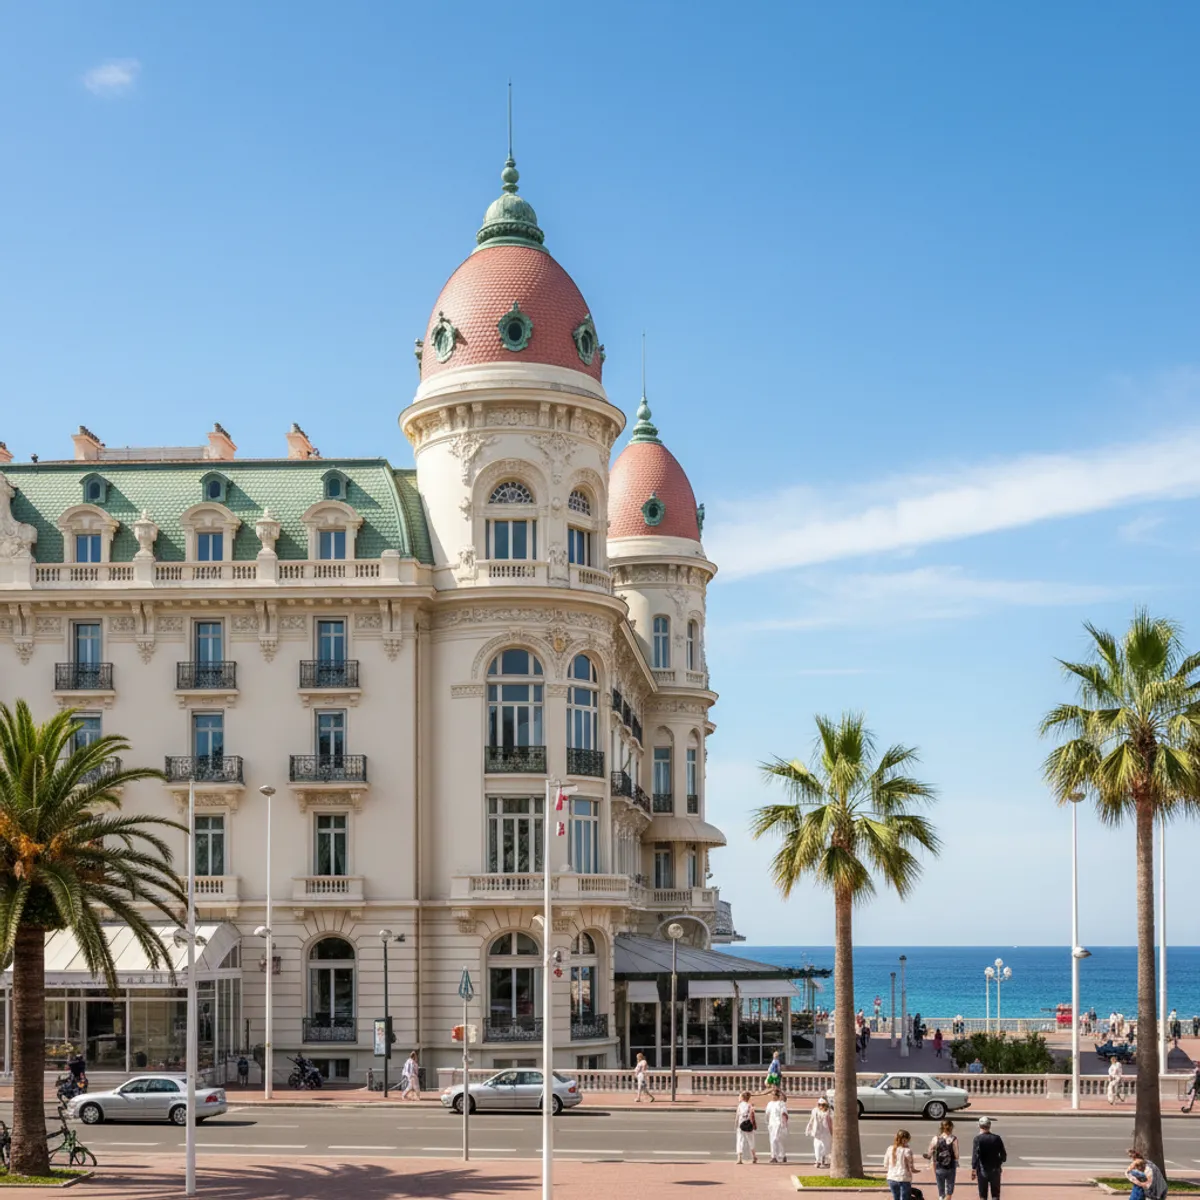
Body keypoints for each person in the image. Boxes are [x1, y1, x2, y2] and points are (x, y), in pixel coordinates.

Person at [970, 1116, 1006, 1200]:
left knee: (983, 1195)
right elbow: (1003, 1155)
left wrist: (973, 1169)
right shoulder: (996, 1138)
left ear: (979, 1126)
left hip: (982, 1170)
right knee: (995, 1194)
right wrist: (999, 1162)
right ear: (989, 1126)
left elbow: (975, 1155)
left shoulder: (977, 1139)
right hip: (995, 1170)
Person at [924, 1118, 959, 1200]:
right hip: (951, 1166)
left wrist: (930, 1156)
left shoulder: (936, 1138)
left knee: (940, 1187)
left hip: (939, 1166)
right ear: (951, 1128)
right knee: (950, 1187)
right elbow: (956, 1155)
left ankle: (941, 1197)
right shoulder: (954, 1139)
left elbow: (930, 1151)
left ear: (941, 1128)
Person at [883, 1128, 919, 1200]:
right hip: (903, 1178)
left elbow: (885, 1164)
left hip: (891, 1178)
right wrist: (914, 1170)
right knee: (904, 1198)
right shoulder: (907, 1151)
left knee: (896, 1197)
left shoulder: (890, 1148)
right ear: (906, 1140)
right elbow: (911, 1166)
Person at [805, 1095, 833, 1167]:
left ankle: (823, 1160)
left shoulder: (829, 1112)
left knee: (825, 1146)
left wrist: (832, 1132)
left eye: (822, 1105)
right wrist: (809, 1127)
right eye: (819, 1104)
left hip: (826, 1132)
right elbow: (812, 1119)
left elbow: (830, 1123)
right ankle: (817, 1161)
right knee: (817, 1146)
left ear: (826, 1105)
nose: (820, 1106)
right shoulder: (815, 1111)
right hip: (817, 1132)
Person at [766, 1086, 790, 1164]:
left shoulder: (781, 1103)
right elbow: (767, 1114)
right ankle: (776, 1156)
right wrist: (768, 1122)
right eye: (772, 1095)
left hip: (779, 1124)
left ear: (777, 1096)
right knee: (773, 1140)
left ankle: (777, 1156)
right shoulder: (769, 1104)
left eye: (774, 1095)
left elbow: (784, 1114)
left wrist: (779, 1090)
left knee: (777, 1139)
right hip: (771, 1124)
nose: (772, 1096)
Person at [734, 1090, 758, 1165]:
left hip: (741, 1124)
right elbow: (753, 1116)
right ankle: (754, 1157)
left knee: (740, 1140)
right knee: (751, 1140)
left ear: (742, 1098)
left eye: (740, 1096)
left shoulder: (740, 1105)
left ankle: (739, 1158)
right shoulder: (750, 1105)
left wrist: (736, 1124)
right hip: (748, 1124)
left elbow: (737, 1116)